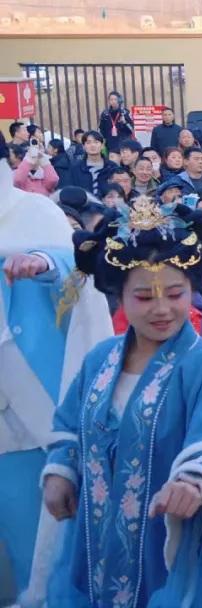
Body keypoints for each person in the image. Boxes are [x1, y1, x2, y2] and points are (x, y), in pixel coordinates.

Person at [43, 201, 202, 606]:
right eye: (143, 297)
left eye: (175, 294)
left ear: (192, 289)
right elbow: (70, 426)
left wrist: (195, 481)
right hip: (95, 538)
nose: (162, 309)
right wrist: (61, 472)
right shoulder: (100, 359)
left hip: (167, 546)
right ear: (119, 296)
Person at [0, 159, 112, 607]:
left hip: (30, 407)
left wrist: (45, 263)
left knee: (39, 548)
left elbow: (77, 270)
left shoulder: (34, 211)